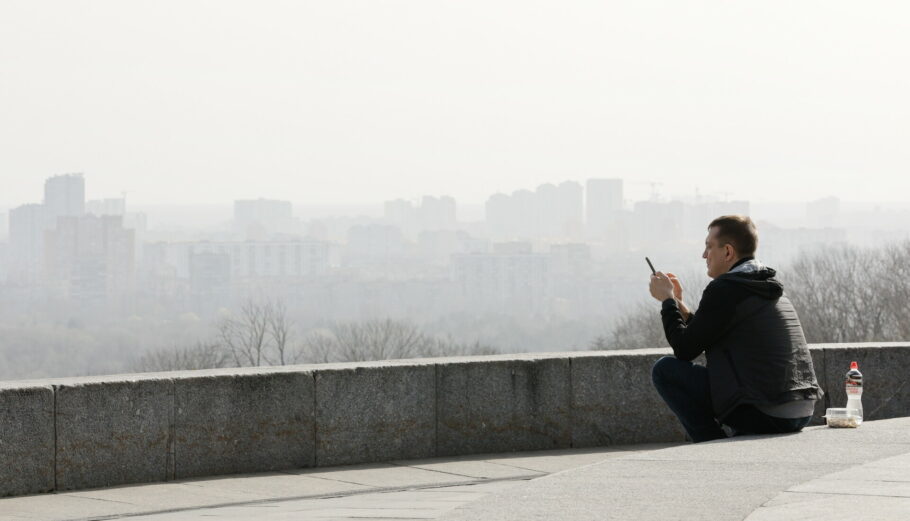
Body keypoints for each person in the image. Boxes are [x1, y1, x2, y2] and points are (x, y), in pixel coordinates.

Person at [648, 215, 823, 442]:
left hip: (764, 412)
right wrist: (680, 305)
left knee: (665, 370)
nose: (704, 255)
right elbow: (708, 332)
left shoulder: (725, 289)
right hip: (802, 410)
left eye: (709, 247)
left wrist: (667, 301)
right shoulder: (764, 285)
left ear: (728, 252)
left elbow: (684, 349)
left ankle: (711, 443)